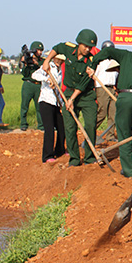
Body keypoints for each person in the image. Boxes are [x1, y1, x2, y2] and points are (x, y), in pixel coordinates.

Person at [42, 29, 98, 166]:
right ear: (79, 43)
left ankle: (90, 158)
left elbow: (83, 83)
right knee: (70, 127)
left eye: (90, 47)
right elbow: (56, 48)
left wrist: (72, 99)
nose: (87, 49)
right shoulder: (68, 49)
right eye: (85, 46)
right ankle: (74, 159)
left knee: (90, 125)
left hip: (86, 95)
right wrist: (47, 61)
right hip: (69, 93)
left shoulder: (91, 60)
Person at [89, 44, 132, 178]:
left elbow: (107, 51)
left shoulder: (124, 55)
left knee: (124, 134)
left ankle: (129, 170)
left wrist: (92, 65)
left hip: (125, 97)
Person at [32, 54, 66, 163]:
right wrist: (47, 79)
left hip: (56, 102)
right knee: (49, 129)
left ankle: (60, 150)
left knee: (62, 127)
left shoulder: (60, 70)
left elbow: (58, 89)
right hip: (46, 101)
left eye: (61, 60)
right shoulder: (47, 67)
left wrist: (62, 104)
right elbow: (34, 75)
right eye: (58, 59)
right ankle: (47, 155)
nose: (59, 61)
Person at [93, 40, 118, 137]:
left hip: (112, 88)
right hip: (102, 88)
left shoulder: (115, 62)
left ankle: (110, 135)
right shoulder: (99, 61)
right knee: (102, 112)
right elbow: (94, 75)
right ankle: (91, 131)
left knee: (113, 113)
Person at [20, 41, 45, 131]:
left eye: (41, 50)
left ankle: (41, 125)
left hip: (38, 85)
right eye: (38, 50)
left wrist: (37, 64)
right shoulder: (28, 59)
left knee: (39, 106)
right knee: (24, 105)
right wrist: (25, 63)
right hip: (28, 84)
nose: (40, 52)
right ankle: (23, 124)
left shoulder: (42, 61)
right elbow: (24, 73)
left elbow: (45, 70)